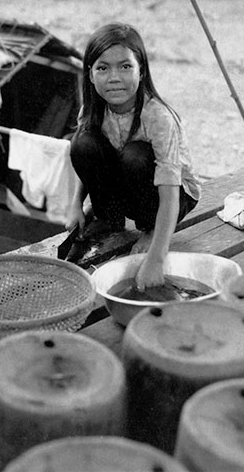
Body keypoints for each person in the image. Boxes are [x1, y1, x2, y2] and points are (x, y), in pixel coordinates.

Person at [65, 23, 202, 290]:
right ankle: (108, 218)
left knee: (135, 155)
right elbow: (86, 163)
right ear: (90, 75)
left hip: (176, 195)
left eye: (125, 66)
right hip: (130, 184)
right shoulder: (93, 108)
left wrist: (156, 259)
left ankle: (150, 230)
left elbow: (170, 193)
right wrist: (76, 205)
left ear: (142, 70)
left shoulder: (157, 116)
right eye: (102, 68)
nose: (114, 77)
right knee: (83, 143)